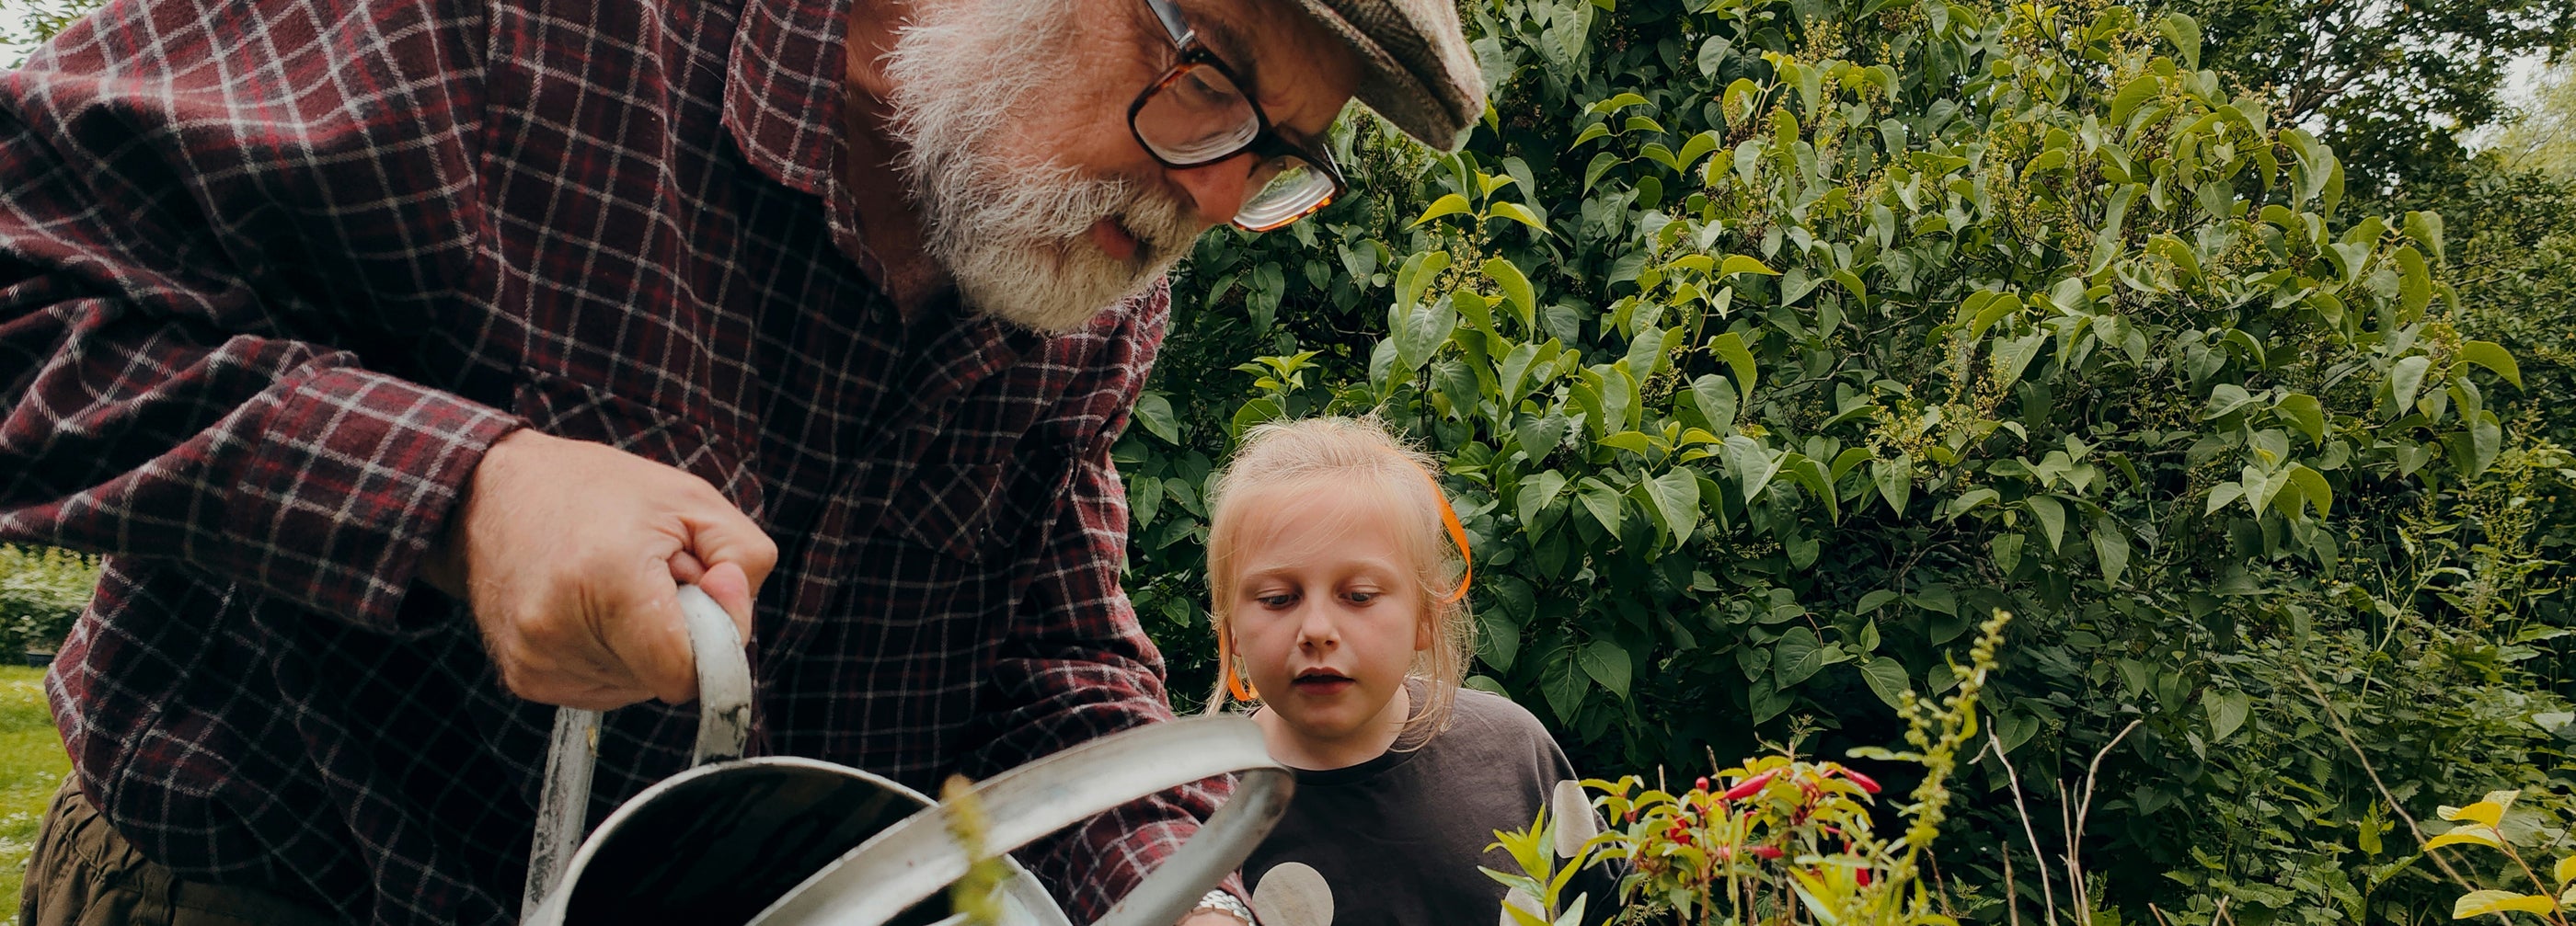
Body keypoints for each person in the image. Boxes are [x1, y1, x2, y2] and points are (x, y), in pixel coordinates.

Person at [0, 0, 1487, 921]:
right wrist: (466, 493)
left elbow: (1040, 657)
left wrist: (1173, 893)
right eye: (1210, 69)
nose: (1211, 191)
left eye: (1280, 150)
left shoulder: (1081, 280)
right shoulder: (526, 31)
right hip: (265, 884)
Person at [1200, 417, 1620, 926]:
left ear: (1425, 615)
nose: (1315, 630)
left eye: (1359, 596)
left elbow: (1615, 907)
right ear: (1231, 628)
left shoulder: (1511, 751)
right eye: (1277, 599)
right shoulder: (1201, 810)